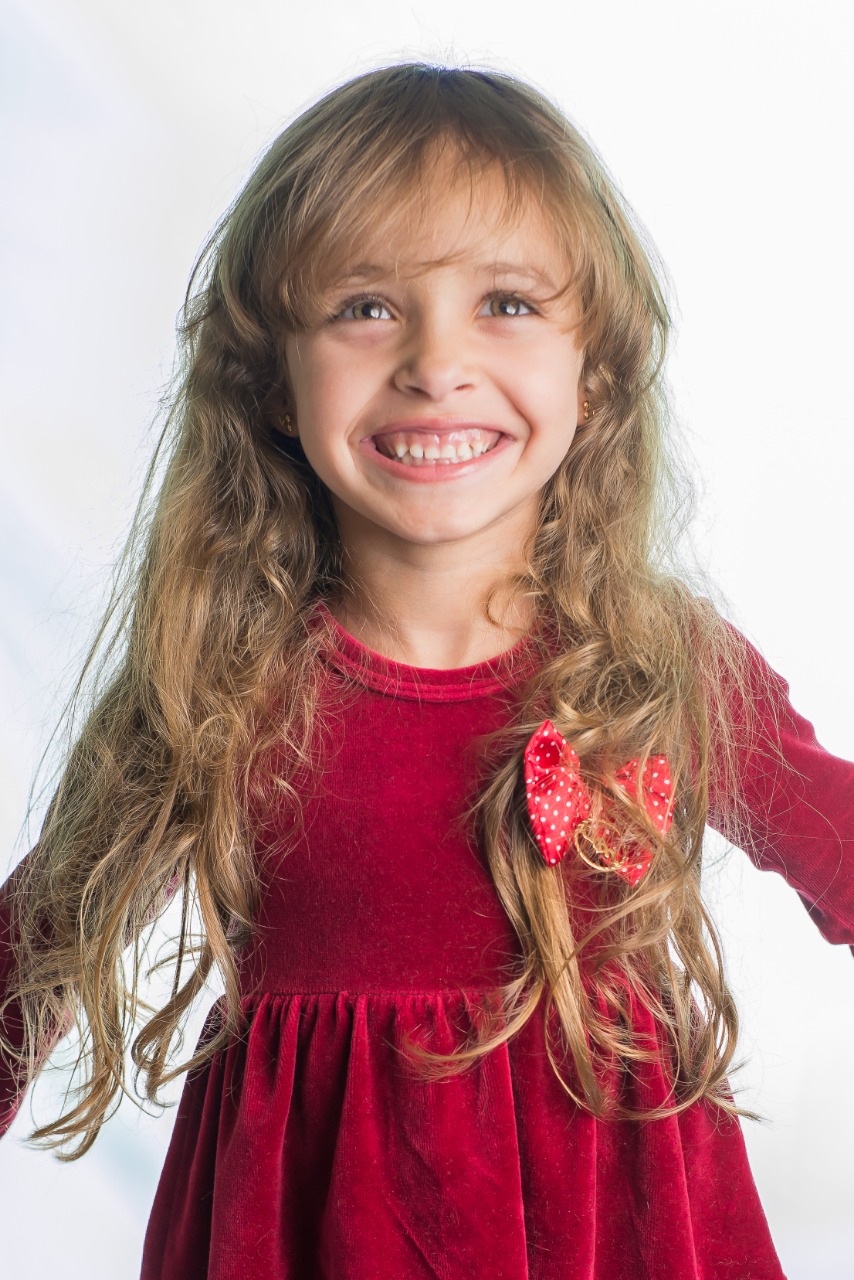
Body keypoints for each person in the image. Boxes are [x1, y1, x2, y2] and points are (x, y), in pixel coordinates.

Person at [1, 63, 852, 1280]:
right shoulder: (216, 684)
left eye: (505, 302)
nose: (434, 361)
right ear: (271, 381)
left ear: (592, 369)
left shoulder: (663, 667)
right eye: (364, 306)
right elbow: (31, 953)